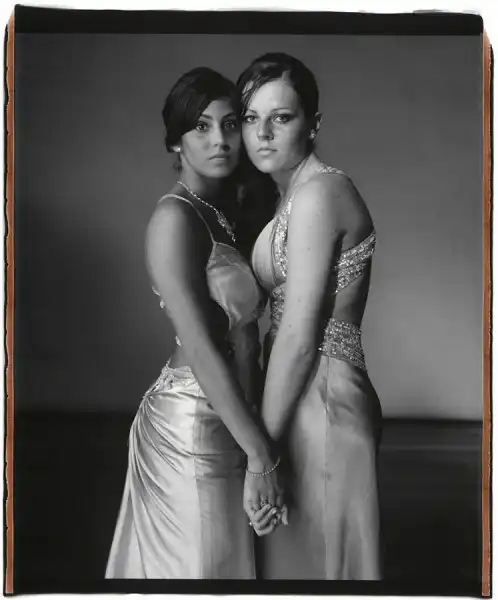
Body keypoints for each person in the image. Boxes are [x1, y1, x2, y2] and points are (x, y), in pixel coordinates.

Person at [105, 67, 287, 580]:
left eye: (230, 125)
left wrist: (257, 438)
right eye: (201, 127)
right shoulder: (174, 219)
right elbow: (203, 349)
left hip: (233, 415)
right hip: (190, 424)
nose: (220, 140)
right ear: (175, 142)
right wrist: (262, 456)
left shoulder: (219, 212)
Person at [237, 53, 383, 580]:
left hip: (321, 399)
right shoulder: (290, 196)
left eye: (281, 117)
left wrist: (260, 457)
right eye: (251, 118)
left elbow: (300, 336)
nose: (262, 134)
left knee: (320, 575)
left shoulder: (321, 193)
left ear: (313, 124)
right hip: (299, 397)